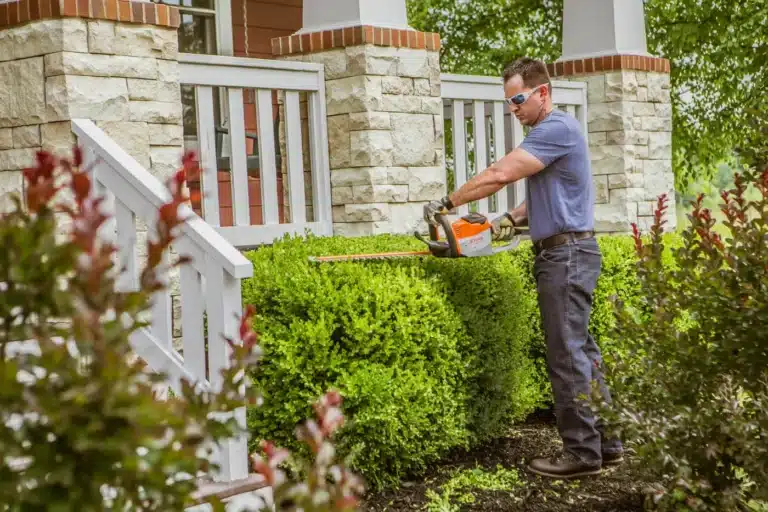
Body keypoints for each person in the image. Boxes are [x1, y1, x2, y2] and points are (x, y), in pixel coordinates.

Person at [423, 57, 624, 479]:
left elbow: (499, 173)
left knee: (566, 354)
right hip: (570, 252)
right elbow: (545, 199)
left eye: (517, 99)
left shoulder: (556, 128)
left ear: (542, 93)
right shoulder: (555, 136)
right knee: (582, 350)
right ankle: (607, 443)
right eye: (509, 101)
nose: (513, 108)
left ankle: (582, 453)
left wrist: (448, 203)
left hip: (565, 257)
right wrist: (508, 221)